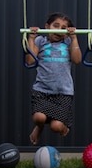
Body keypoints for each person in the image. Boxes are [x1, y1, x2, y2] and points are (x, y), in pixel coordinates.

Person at [25, 12, 82, 145]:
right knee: (39, 117)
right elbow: (29, 61)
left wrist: (74, 38)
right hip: (42, 91)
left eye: (63, 28)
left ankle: (63, 124)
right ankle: (39, 127)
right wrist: (31, 39)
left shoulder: (68, 42)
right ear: (47, 26)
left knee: (56, 127)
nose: (59, 30)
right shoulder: (40, 41)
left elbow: (77, 60)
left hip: (63, 92)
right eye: (55, 26)